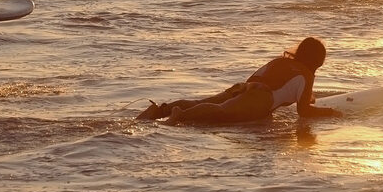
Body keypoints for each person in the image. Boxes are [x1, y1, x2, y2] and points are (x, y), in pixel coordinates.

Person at [135, 37, 342, 123]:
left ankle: (161, 110)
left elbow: (262, 78)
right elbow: (304, 111)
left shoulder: (280, 61)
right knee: (222, 111)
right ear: (316, 62)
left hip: (245, 87)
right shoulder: (306, 75)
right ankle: (181, 116)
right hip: (261, 98)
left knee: (205, 103)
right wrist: (331, 112)